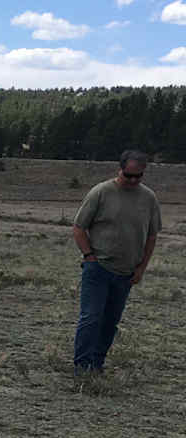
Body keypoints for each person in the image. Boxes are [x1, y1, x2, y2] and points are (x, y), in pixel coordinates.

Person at [70, 149, 161, 383]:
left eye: (137, 176)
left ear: (143, 174)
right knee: (91, 317)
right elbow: (79, 227)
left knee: (110, 321)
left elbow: (151, 236)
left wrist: (141, 269)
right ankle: (82, 365)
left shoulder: (148, 198)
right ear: (119, 169)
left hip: (126, 273)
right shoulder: (101, 192)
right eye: (128, 175)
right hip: (98, 268)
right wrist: (89, 256)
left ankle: (97, 364)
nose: (132, 181)